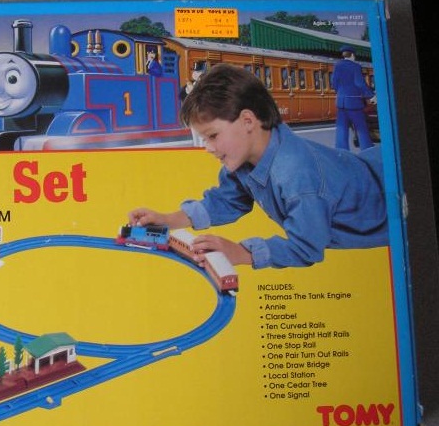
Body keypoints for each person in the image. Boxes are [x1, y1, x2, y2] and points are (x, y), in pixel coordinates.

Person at [128, 63, 388, 270]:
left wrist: (241, 252)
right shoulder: (245, 157)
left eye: (213, 136)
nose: (207, 147)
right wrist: (168, 220)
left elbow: (306, 248)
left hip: (389, 192)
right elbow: (226, 200)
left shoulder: (297, 177)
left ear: (248, 121)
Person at [331, 45, 377, 150]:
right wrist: (371, 96)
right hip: (353, 102)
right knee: (361, 127)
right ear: (352, 55)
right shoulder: (355, 67)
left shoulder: (337, 66)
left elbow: (334, 83)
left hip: (341, 103)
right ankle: (367, 148)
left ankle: (341, 150)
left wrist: (341, 94)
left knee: (342, 128)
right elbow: (359, 83)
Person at [179, 61, 205, 147]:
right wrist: (187, 91)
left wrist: (192, 92)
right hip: (192, 112)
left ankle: (202, 147)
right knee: (194, 132)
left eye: (198, 72)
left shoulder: (205, 85)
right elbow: (181, 96)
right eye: (195, 71)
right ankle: (196, 146)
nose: (195, 73)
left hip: (201, 112)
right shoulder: (191, 84)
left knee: (202, 133)